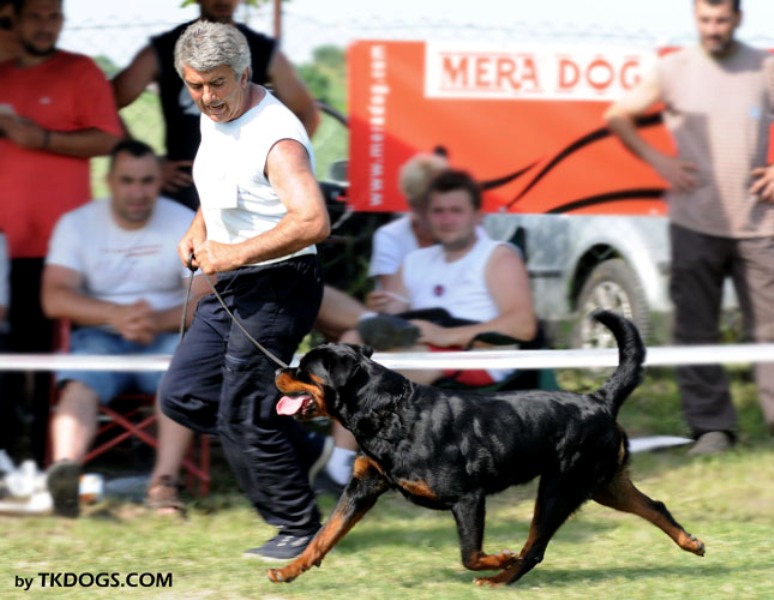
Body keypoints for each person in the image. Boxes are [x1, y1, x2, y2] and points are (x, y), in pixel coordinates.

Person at [158, 21, 331, 561]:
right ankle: (302, 445)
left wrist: (230, 254)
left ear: (245, 74)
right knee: (183, 396)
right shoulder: (217, 115)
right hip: (234, 281)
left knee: (244, 409)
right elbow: (220, 185)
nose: (207, 98)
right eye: (195, 85)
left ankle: (300, 528)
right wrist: (199, 229)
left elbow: (313, 222)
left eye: (217, 84)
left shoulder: (276, 139)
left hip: (280, 284)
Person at [604, 0, 774, 454]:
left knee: (771, 327)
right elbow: (618, 115)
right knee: (696, 328)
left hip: (758, 223)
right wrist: (660, 160)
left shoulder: (764, 67)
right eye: (705, 20)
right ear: (695, 19)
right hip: (693, 223)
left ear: (737, 19)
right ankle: (712, 428)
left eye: (721, 20)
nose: (713, 28)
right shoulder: (673, 69)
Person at [40, 140, 206, 518]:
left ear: (158, 182)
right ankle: (66, 481)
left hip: (167, 333)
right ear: (109, 181)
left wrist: (153, 321)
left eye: (147, 181)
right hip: (99, 335)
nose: (137, 192)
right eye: (127, 181)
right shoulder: (77, 224)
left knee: (177, 383)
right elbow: (54, 298)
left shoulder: (184, 221)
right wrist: (116, 315)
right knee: (79, 382)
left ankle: (163, 485)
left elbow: (203, 299)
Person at [0, 0, 124, 466]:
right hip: (3, 245)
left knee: (48, 353)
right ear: (15, 18)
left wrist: (42, 139)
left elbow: (109, 139)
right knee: (10, 352)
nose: (45, 25)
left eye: (54, 16)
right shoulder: (4, 74)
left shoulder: (80, 71)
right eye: (35, 15)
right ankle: (10, 452)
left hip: (60, 248)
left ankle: (45, 457)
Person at [112, 0, 319, 210]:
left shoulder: (262, 50)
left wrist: (275, 166)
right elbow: (104, 106)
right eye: (196, 84)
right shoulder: (165, 49)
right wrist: (148, 166)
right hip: (183, 192)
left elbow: (307, 114)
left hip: (245, 193)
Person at [343, 169, 538, 385]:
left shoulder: (498, 256)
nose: (447, 219)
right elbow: (390, 318)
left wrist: (445, 335)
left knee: (391, 365)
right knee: (350, 343)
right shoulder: (414, 260)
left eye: (456, 211)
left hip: (478, 355)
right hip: (419, 344)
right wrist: (378, 309)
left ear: (477, 215)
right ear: (427, 216)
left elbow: (523, 326)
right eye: (438, 211)